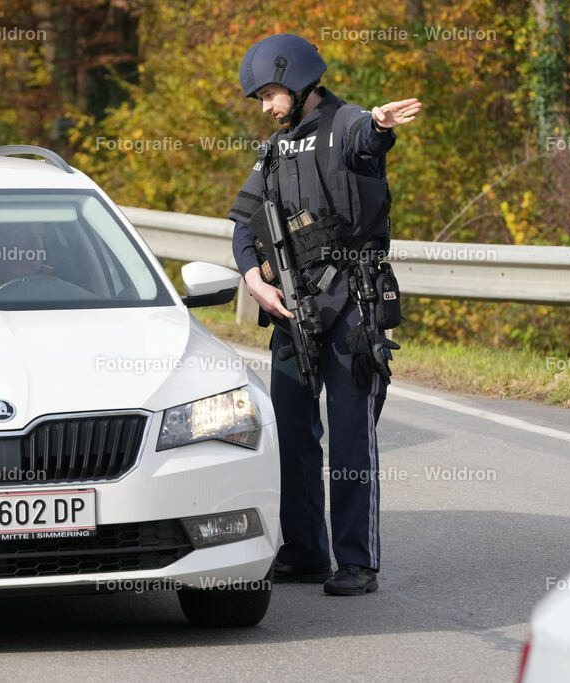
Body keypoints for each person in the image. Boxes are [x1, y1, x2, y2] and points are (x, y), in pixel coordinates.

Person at [228, 33, 420, 595]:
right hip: (292, 308)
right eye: (260, 99)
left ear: (297, 81)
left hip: (352, 306)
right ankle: (305, 552)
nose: (266, 107)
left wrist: (380, 125)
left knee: (351, 436)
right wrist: (252, 279)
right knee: (290, 433)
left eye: (269, 94)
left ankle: (357, 561)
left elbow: (368, 139)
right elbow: (242, 225)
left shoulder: (348, 123)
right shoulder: (273, 150)